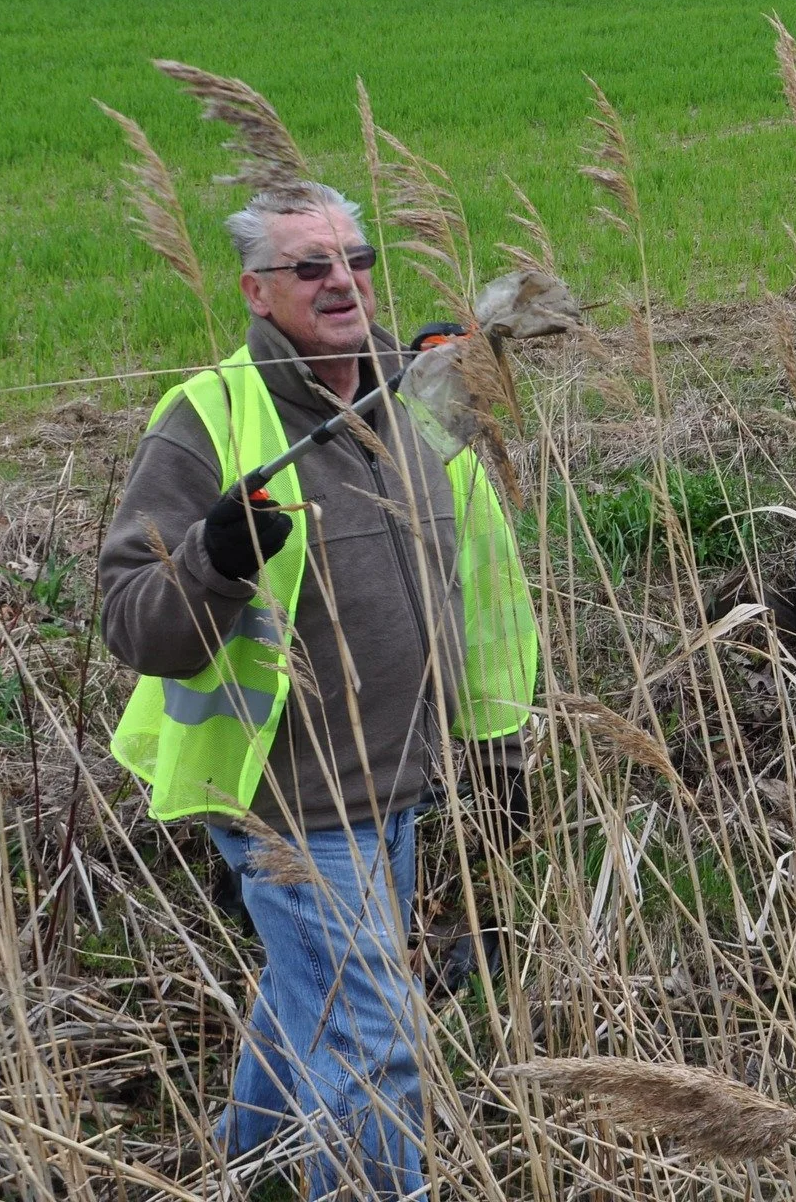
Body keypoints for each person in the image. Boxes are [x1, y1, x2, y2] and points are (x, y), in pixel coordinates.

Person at [99, 184, 538, 1199]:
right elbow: (131, 619)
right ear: (256, 291)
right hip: (288, 800)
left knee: (315, 1011)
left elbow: (468, 577)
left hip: (398, 783)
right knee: (374, 1055)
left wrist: (492, 750)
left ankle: (235, 1166)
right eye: (310, 266)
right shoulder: (207, 419)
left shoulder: (413, 397)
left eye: (356, 257)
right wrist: (213, 555)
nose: (343, 280)